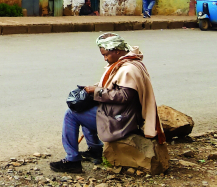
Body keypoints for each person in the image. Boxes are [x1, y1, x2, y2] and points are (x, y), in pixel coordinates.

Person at [49, 33, 164, 174]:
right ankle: (95, 150)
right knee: (85, 107)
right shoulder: (127, 63)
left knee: (71, 115)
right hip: (123, 115)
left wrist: (96, 91)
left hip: (121, 121)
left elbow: (124, 96)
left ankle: (72, 160)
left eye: (106, 55)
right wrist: (92, 90)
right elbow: (113, 86)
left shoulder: (128, 69)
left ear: (117, 50)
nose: (105, 58)